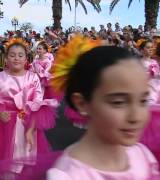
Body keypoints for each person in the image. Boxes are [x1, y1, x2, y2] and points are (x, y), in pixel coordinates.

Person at [46, 36, 159, 179]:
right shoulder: (68, 175)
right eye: (118, 102)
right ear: (82, 103)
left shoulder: (142, 155)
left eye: (143, 101)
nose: (136, 116)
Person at [0, 38, 58, 178]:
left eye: (20, 55)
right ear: (6, 58)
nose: (16, 58)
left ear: (26, 59)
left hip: (26, 125)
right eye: (12, 55)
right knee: (4, 165)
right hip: (1, 127)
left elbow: (37, 106)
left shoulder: (33, 78)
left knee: (24, 163)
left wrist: (30, 130)